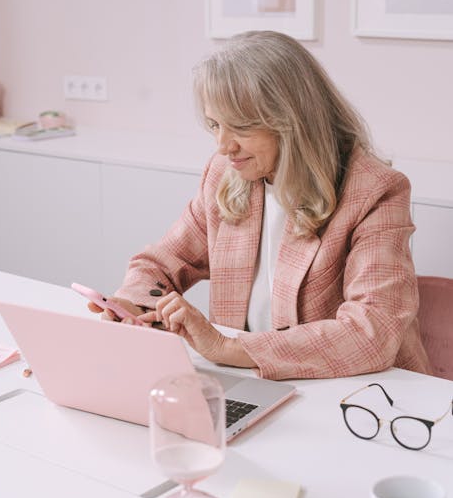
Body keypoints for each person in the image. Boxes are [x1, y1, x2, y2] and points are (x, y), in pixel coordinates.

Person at [91, 30, 431, 380]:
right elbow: (161, 263)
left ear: (294, 122)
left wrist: (229, 349)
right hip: (252, 381)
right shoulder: (224, 173)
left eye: (239, 127)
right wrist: (133, 304)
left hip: (359, 395)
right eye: (214, 125)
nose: (223, 146)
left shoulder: (375, 190)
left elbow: (372, 331)